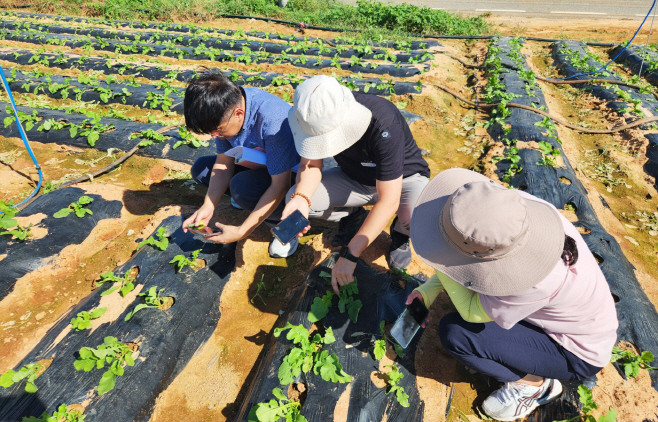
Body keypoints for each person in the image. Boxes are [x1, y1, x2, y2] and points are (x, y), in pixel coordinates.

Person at [406, 168, 618, 421]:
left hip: (575, 350)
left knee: (457, 334)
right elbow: (462, 260)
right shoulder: (521, 217)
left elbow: (471, 312)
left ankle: (533, 386)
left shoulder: (535, 280)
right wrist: (428, 290)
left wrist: (441, 263)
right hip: (570, 315)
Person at [281, 75, 430, 294]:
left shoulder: (382, 121)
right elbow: (310, 165)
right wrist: (301, 200)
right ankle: (351, 215)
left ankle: (400, 233)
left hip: (402, 181)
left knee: (416, 217)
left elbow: (389, 200)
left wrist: (351, 255)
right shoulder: (311, 118)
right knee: (296, 197)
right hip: (355, 180)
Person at [182, 71, 300, 258]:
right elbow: (223, 162)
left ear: (239, 114)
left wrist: (242, 231)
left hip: (292, 176)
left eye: (218, 131)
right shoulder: (225, 108)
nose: (215, 136)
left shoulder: (273, 122)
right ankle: (250, 198)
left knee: (241, 187)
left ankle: (286, 227)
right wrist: (208, 205)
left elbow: (280, 185)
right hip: (260, 164)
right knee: (201, 169)